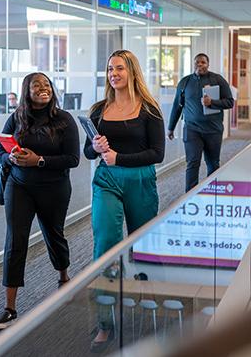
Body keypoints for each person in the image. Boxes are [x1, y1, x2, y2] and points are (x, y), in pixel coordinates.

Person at [84, 49, 165, 349]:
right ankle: (105, 322)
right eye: (109, 69)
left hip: (140, 180)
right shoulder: (98, 110)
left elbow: (158, 153)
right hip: (106, 181)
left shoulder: (150, 109)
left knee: (142, 245)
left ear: (131, 71)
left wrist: (121, 157)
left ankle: (149, 305)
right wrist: (95, 146)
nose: (113, 74)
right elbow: (87, 153)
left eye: (119, 68)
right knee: (105, 245)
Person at [0, 72, 79, 330]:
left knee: (54, 235)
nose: (43, 88)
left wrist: (38, 160)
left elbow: (73, 159)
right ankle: (9, 307)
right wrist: (11, 159)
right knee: (15, 241)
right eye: (36, 85)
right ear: (26, 91)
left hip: (54, 187)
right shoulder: (17, 117)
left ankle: (63, 277)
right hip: (19, 187)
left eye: (47, 84)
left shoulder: (64, 120)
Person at [167, 53, 234, 192]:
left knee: (213, 164)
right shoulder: (184, 82)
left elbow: (229, 102)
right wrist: (171, 128)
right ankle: (189, 197)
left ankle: (213, 194)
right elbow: (176, 106)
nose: (200, 65)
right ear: (193, 64)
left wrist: (212, 102)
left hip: (213, 130)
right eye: (197, 62)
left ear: (208, 64)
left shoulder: (218, 80)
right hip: (192, 130)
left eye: (203, 62)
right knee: (192, 163)